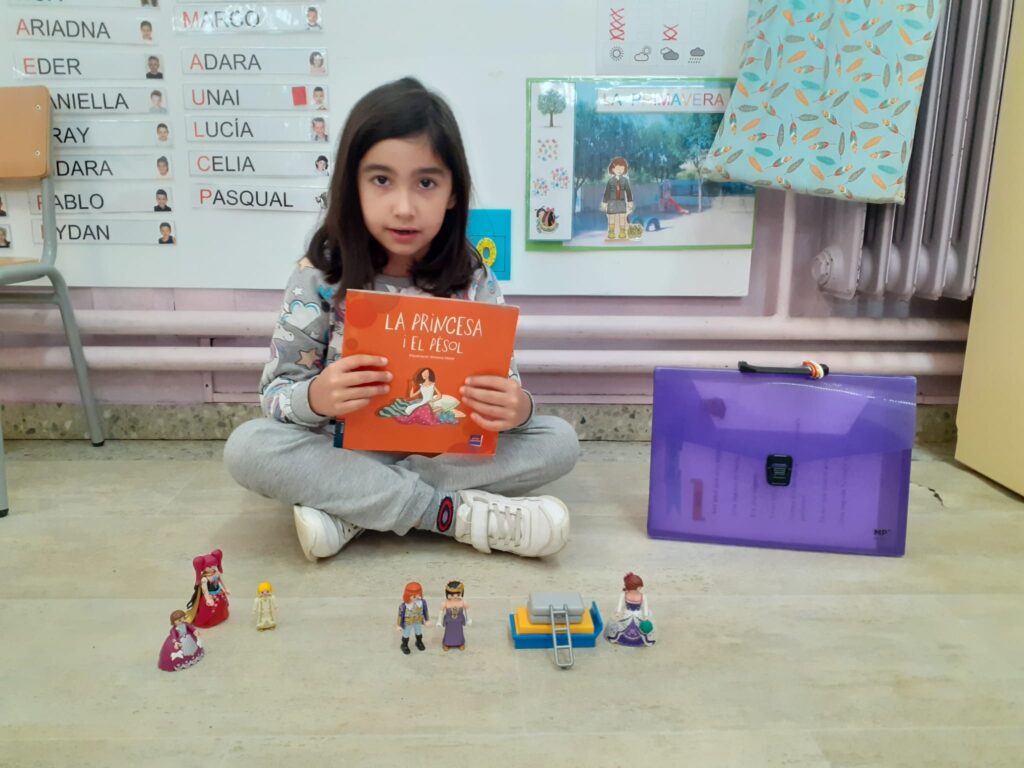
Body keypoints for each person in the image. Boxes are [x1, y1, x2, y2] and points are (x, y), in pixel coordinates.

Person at [223, 77, 578, 563]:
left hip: (443, 452)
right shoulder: (319, 277)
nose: (404, 207)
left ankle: (354, 508)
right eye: (381, 180)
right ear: (353, 186)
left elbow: (504, 388)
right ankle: (448, 514)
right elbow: (275, 396)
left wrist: (516, 408)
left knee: (558, 440)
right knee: (248, 447)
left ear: (453, 193)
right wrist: (317, 396)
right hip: (345, 449)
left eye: (426, 183)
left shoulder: (473, 279)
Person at [600, 156, 634, 240]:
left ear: (624, 169)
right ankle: (611, 232)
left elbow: (628, 192)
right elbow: (607, 193)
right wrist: (604, 203)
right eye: (617, 168)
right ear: (613, 169)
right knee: (612, 218)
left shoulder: (625, 181)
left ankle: (622, 232)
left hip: (622, 202)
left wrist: (630, 202)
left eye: (622, 168)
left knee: (622, 217)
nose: (619, 170)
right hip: (612, 202)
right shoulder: (610, 181)